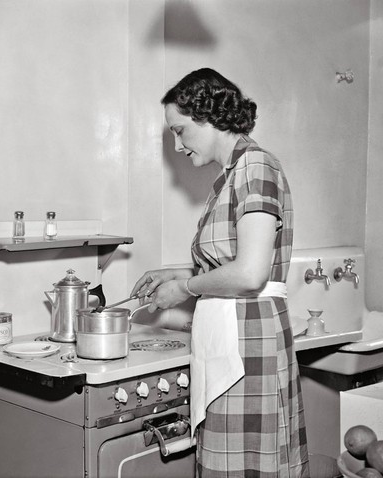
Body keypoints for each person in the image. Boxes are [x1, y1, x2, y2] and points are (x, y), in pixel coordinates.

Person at [130, 68, 310, 477]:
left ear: (208, 116)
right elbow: (229, 260)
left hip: (250, 344)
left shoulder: (255, 166)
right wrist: (171, 273)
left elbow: (250, 273)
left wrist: (185, 287)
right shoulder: (228, 177)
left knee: (251, 465)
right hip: (233, 339)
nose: (177, 146)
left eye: (180, 131)